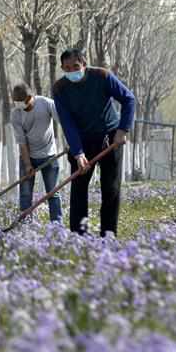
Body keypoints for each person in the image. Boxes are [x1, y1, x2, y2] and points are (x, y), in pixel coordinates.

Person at [51, 49, 135, 237]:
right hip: (81, 141)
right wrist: (78, 153)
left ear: (84, 64)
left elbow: (129, 99)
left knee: (110, 188)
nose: (72, 71)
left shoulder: (102, 76)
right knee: (79, 189)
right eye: (66, 68)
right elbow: (67, 122)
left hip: (110, 138)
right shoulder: (59, 89)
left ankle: (108, 235)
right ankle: (79, 236)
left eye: (75, 66)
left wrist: (122, 130)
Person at [10, 81, 62, 222]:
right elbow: (22, 142)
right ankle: (25, 225)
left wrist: (72, 143)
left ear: (29, 98)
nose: (17, 105)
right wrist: (27, 164)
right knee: (26, 194)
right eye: (15, 101)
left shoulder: (46, 103)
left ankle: (56, 226)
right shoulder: (16, 114)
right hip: (28, 156)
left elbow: (64, 121)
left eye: (19, 101)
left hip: (49, 155)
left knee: (53, 193)